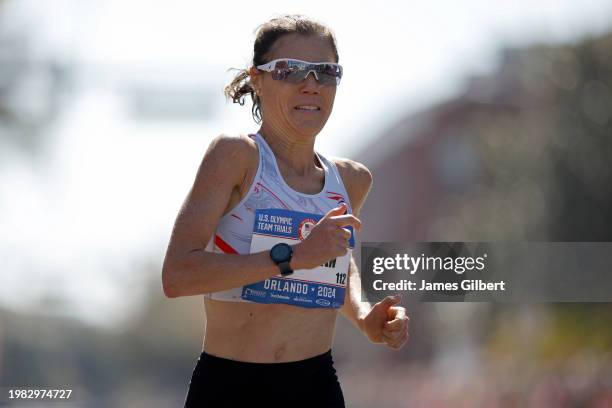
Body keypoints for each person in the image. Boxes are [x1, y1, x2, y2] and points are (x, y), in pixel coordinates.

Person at [162, 14, 410, 408]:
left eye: (325, 72)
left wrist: (364, 316)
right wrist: (290, 257)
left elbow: (337, 263)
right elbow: (177, 275)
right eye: (290, 70)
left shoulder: (352, 180)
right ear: (257, 80)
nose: (310, 84)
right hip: (230, 387)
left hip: (315, 387)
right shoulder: (235, 156)